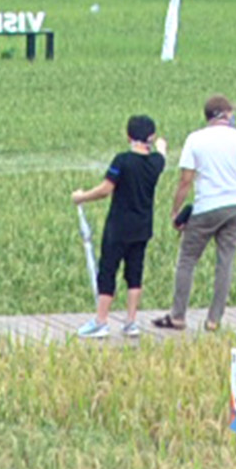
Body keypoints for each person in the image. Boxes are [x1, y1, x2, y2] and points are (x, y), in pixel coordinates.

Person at [152, 95, 236, 335]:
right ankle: (214, 319)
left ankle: (178, 316)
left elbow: (185, 180)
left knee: (187, 260)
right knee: (225, 262)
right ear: (224, 114)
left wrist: (176, 210)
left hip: (206, 207)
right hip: (235, 206)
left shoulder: (195, 139)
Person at [73, 111, 165, 340]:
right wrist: (161, 146)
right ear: (151, 137)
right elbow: (161, 155)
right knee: (135, 273)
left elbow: (105, 190)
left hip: (119, 226)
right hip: (143, 227)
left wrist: (82, 197)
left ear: (128, 136)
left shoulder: (122, 161)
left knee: (108, 271)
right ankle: (131, 322)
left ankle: (101, 321)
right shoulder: (155, 163)